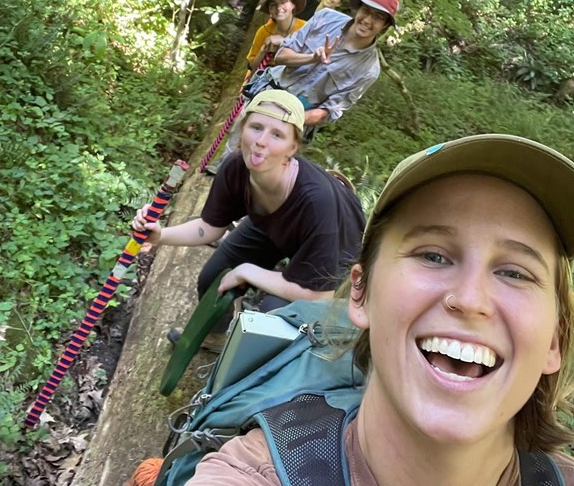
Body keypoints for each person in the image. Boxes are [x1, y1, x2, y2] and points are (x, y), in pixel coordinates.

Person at [181, 133, 574, 485]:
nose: (471, 300)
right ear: (361, 293)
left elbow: (304, 286)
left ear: (555, 339)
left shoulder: (319, 206)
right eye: (434, 256)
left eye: (514, 273)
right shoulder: (253, 474)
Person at [132, 89, 366, 345]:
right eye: (256, 127)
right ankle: (215, 337)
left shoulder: (316, 201)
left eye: (277, 134)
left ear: (293, 147)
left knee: (277, 315)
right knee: (214, 275)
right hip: (273, 227)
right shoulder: (235, 168)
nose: (261, 141)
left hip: (336, 254)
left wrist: (247, 272)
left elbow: (318, 294)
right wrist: (160, 235)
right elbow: (210, 227)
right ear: (242, 129)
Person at [254, 0, 399, 131]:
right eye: (365, 11)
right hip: (265, 94)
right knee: (234, 151)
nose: (367, 20)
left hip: (295, 122)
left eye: (377, 17)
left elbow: (330, 111)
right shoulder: (325, 18)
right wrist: (312, 58)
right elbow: (281, 56)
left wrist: (286, 119)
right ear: (358, 9)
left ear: (385, 26)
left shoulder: (369, 70)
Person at [246, 0, 307, 73]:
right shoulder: (263, 31)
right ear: (269, 10)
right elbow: (252, 67)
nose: (278, 8)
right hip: (267, 76)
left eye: (283, 2)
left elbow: (311, 58)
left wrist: (283, 42)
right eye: (273, 4)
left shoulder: (305, 28)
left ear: (293, 4)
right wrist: (263, 51)